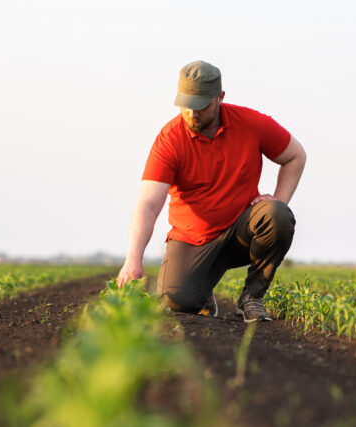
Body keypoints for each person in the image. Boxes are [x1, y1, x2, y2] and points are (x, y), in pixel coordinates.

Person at [117, 60, 306, 322]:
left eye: (201, 106)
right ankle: (201, 293)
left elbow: (296, 155)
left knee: (277, 215)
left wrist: (279, 200)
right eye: (186, 105)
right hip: (192, 240)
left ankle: (252, 298)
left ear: (220, 98)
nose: (192, 114)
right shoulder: (170, 140)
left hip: (240, 233)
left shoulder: (250, 123)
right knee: (178, 302)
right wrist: (133, 260)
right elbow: (148, 205)